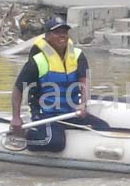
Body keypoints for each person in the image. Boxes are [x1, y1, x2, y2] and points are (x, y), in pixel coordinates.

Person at [10, 17, 109, 152]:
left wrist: (83, 104)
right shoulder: (37, 61)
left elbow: (84, 82)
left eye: (64, 32)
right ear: (47, 36)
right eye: (57, 32)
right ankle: (26, 134)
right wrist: (16, 117)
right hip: (46, 114)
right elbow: (18, 88)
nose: (62, 36)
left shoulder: (78, 55)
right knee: (55, 143)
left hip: (70, 113)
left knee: (104, 128)